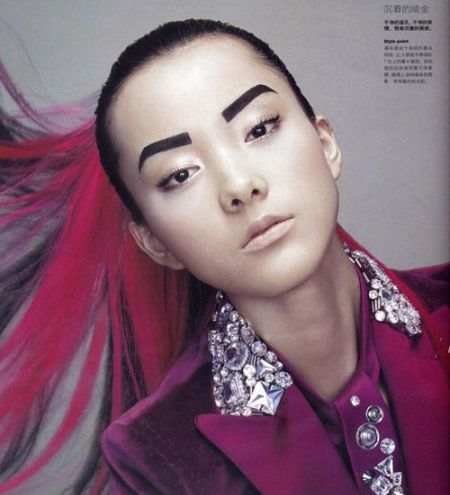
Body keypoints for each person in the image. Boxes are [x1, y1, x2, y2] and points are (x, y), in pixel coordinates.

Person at [0, 18, 448, 495]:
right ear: (155, 242)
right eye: (179, 175)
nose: (239, 185)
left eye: (258, 128)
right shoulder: (155, 458)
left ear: (326, 144)